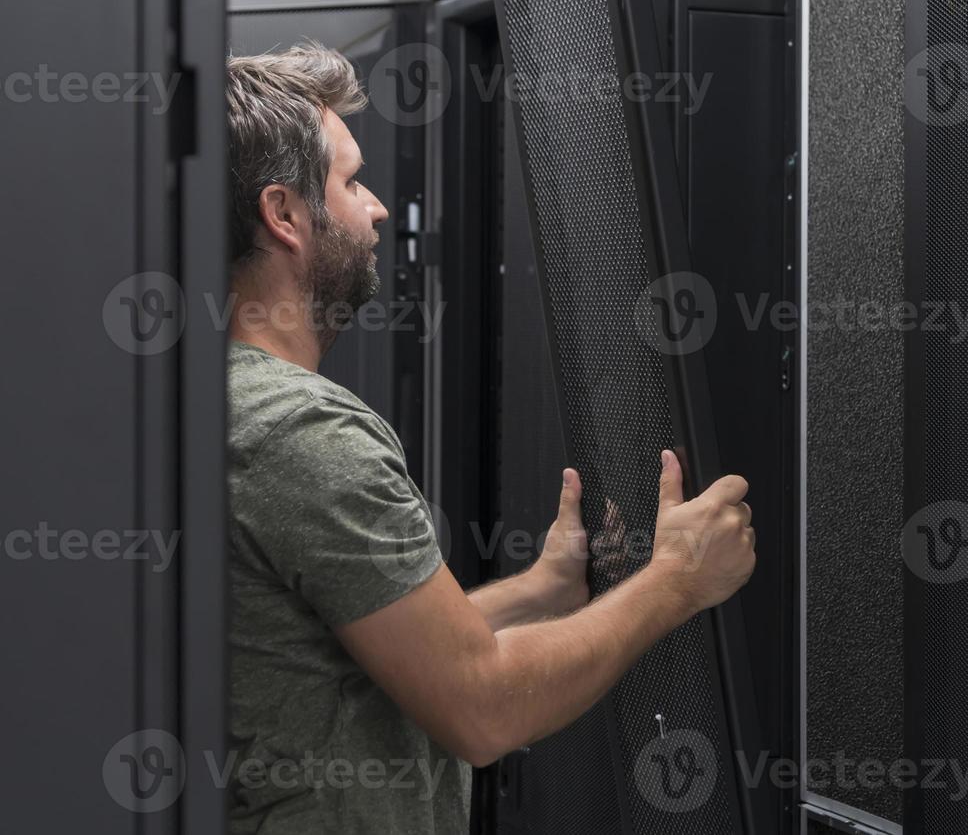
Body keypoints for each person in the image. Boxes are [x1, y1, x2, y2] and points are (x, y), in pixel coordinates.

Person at [225, 42, 756, 834]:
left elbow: (359, 652)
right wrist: (677, 578)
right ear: (285, 215)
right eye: (352, 181)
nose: (375, 209)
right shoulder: (302, 431)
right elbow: (480, 710)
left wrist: (542, 590)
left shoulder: (215, 397)